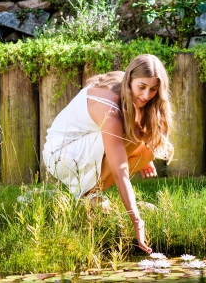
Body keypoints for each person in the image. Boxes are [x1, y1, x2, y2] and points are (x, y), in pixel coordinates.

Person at [42, 54, 174, 254]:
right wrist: (137, 222)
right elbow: (121, 173)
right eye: (142, 87)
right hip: (60, 154)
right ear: (130, 79)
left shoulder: (125, 86)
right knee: (134, 138)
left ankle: (90, 194)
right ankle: (90, 195)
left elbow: (136, 123)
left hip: (83, 144)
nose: (147, 95)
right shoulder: (109, 112)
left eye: (153, 89)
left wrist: (142, 154)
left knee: (147, 150)